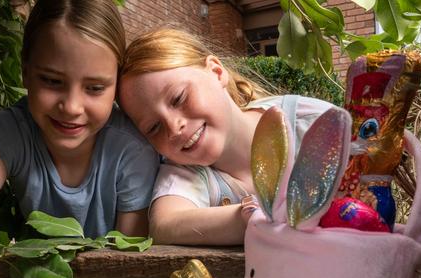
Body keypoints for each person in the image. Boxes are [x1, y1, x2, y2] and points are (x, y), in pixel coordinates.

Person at [118, 28, 335, 245]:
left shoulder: (312, 123)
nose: (174, 128)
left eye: (178, 98)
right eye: (154, 127)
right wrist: (255, 217)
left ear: (217, 72)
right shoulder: (186, 172)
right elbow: (164, 225)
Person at [0, 0, 159, 238]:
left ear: (116, 86)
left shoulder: (132, 150)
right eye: (52, 81)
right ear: (25, 72)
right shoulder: (9, 133)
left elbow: (129, 261)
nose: (71, 107)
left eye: (95, 88)